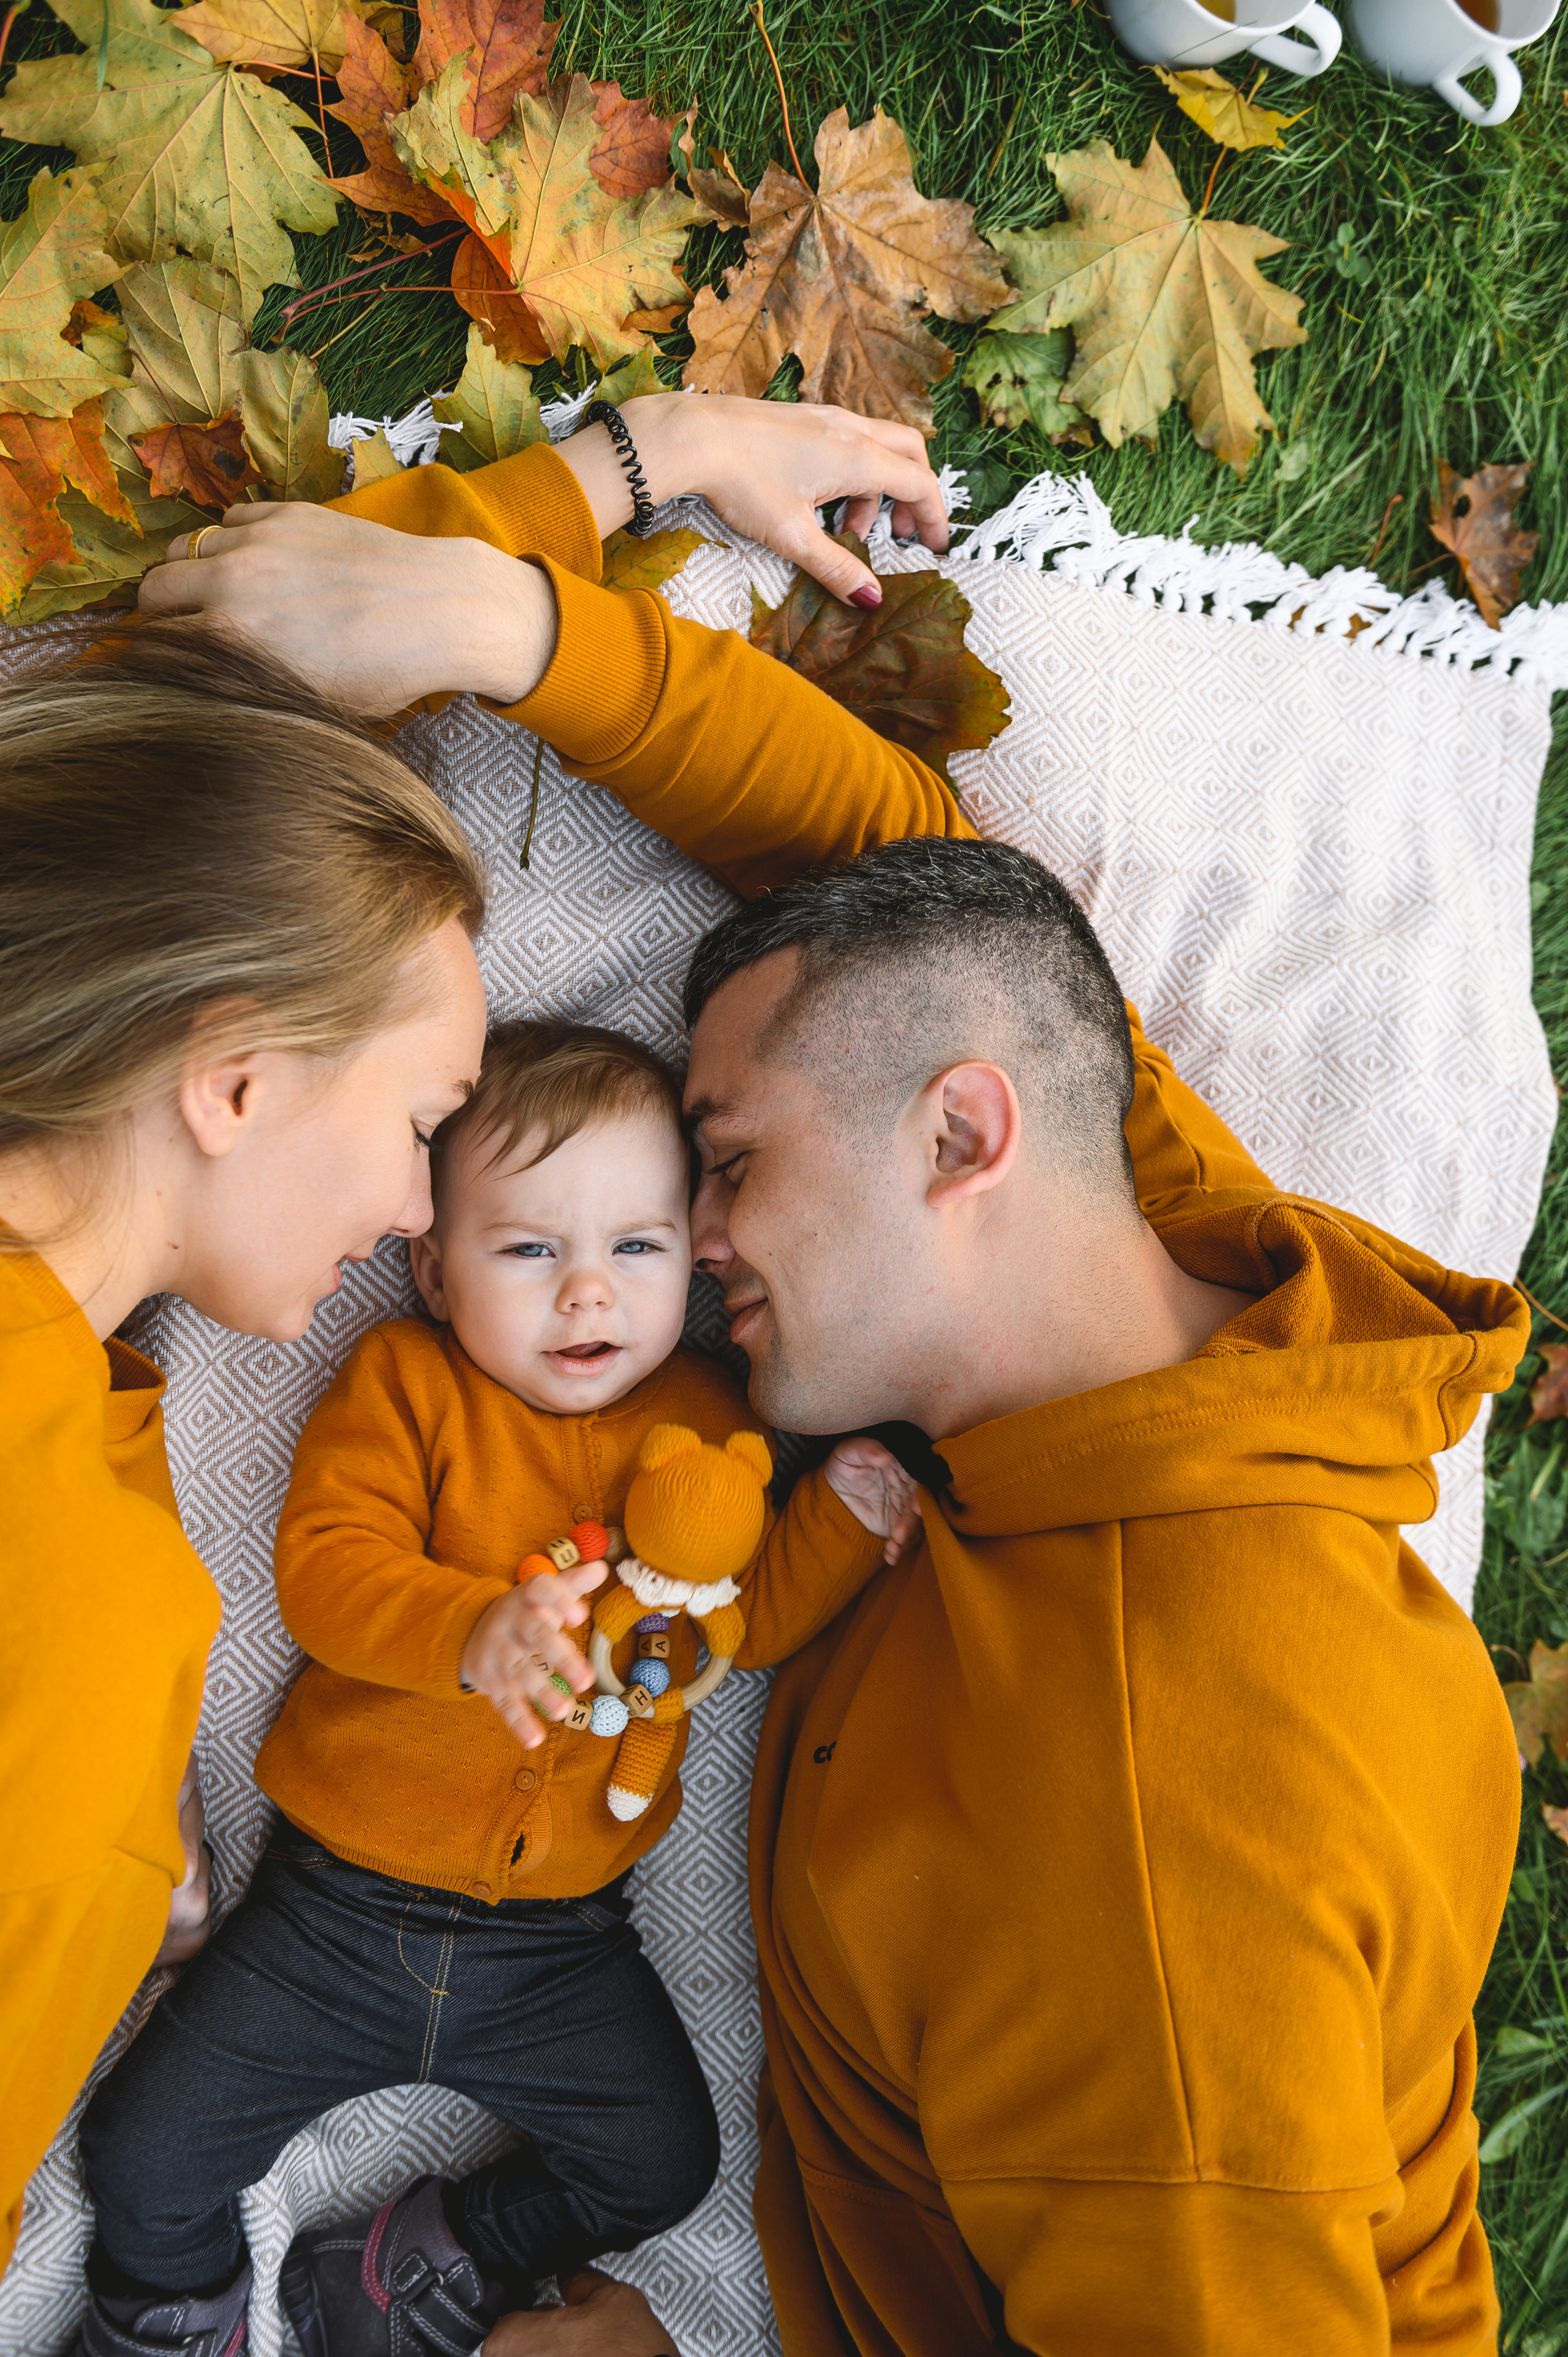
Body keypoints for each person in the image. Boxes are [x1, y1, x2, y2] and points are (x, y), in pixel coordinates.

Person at [151, 406, 1528, 2357]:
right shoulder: (1177, 1280)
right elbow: (921, 905)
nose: (687, 1244)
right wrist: (500, 618)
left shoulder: (1158, 1844)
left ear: (956, 1148)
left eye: (725, 1163)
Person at [0, 390, 955, 2290]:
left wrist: (643, 460)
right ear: (236, 1076)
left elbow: (208, 699)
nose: (417, 1210)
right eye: (432, 1121)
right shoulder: (88, 1593)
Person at [75, 1020, 913, 2357]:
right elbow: (327, 1577)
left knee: (663, 2162)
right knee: (140, 2159)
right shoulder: (407, 1386)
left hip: (562, 1944)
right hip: (335, 1914)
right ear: (431, 1264)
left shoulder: (711, 1419)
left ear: (687, 1256)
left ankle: (417, 2262)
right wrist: (471, 1627)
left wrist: (835, 1523)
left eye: (634, 1249)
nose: (589, 1295)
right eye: (530, 1249)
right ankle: (174, 2318)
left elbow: (732, 1628)